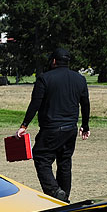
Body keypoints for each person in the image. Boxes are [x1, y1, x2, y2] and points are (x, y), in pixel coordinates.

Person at [17, 48, 90, 202]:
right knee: (64, 162)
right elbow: (85, 104)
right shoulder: (80, 79)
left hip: (51, 128)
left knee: (41, 157)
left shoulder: (44, 78)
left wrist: (24, 125)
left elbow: (35, 104)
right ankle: (64, 196)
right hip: (71, 128)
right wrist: (85, 125)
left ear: (54, 61)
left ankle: (55, 192)